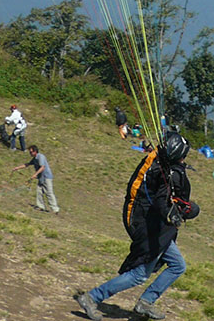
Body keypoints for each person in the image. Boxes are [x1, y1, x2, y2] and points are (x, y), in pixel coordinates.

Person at [75, 132, 198, 321]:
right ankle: (92, 297)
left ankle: (145, 303)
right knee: (139, 275)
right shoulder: (166, 173)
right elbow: (161, 201)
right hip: (150, 227)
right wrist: (176, 214)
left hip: (151, 224)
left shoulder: (157, 163)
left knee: (177, 265)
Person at [11, 144, 58, 214]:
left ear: (35, 151)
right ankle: (41, 206)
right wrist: (17, 168)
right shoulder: (35, 159)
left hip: (46, 177)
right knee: (39, 191)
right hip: (41, 178)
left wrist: (35, 174)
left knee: (49, 192)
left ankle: (55, 209)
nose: (30, 153)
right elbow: (27, 164)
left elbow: (42, 167)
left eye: (31, 152)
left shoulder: (40, 157)